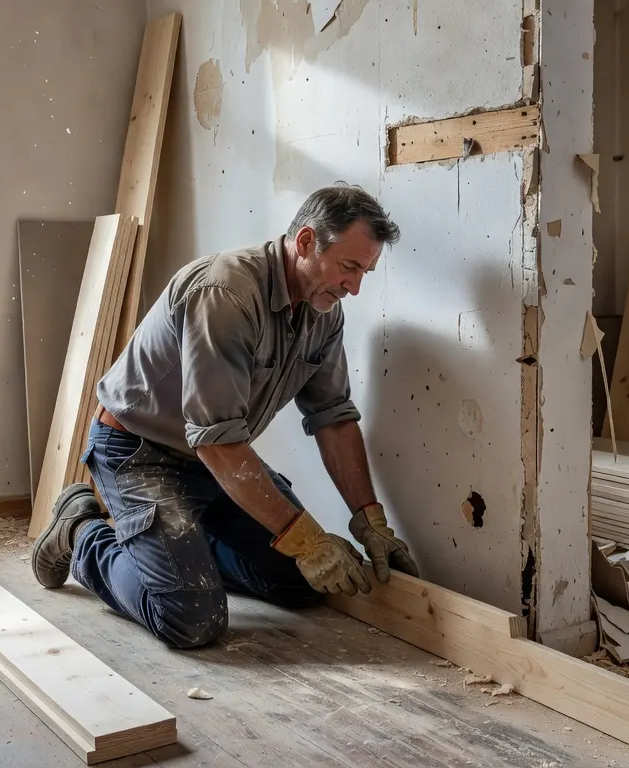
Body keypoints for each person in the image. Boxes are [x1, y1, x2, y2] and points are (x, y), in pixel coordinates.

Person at [30, 184, 419, 649]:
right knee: (190, 619)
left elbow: (332, 416)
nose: (355, 287)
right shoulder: (227, 293)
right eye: (349, 266)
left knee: (301, 583)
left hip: (214, 462)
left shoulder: (323, 310)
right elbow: (215, 438)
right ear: (305, 243)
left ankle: (182, 547)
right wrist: (308, 541)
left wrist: (370, 519)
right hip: (141, 454)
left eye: (365, 272)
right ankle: (80, 531)